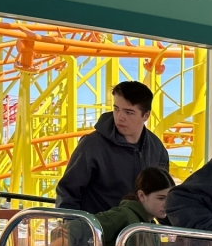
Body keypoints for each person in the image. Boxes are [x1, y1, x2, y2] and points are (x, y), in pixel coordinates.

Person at [56, 81, 170, 215]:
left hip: (139, 233)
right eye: (116, 109)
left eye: (129, 112)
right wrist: (73, 228)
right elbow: (67, 191)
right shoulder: (92, 145)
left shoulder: (157, 149)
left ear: (146, 115)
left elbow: (161, 195)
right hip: (98, 232)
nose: (120, 117)